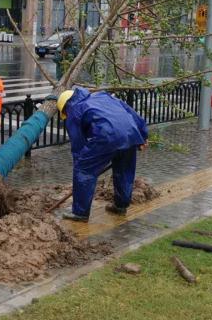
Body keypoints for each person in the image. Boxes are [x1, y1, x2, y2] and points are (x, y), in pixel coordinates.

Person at [56, 87, 149, 222]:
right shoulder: (103, 96)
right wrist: (143, 135)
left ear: (65, 107)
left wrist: (82, 166)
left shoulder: (73, 110)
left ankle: (80, 213)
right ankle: (120, 206)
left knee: (84, 169)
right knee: (124, 169)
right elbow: (131, 112)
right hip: (130, 134)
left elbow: (78, 146)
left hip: (106, 136)